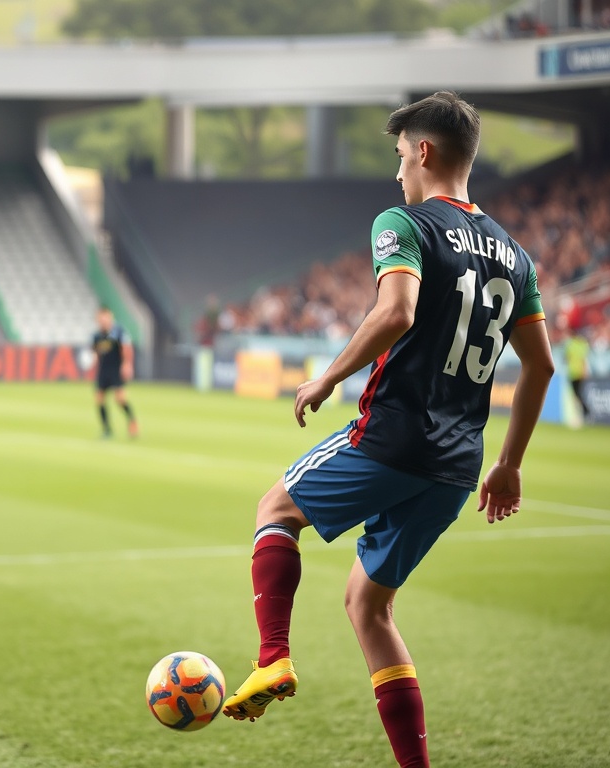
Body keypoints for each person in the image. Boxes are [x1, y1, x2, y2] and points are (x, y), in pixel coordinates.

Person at [221, 92, 555, 768]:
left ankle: (272, 660)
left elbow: (396, 311)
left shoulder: (403, 223)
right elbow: (542, 367)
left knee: (275, 510)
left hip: (394, 435)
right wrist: (510, 464)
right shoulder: (516, 257)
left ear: (424, 152)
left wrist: (327, 376)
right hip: (459, 464)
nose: (397, 173)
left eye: (400, 157)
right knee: (369, 607)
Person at [92, 306, 138, 438]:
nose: (103, 320)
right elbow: (96, 353)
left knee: (120, 399)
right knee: (99, 399)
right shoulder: (97, 336)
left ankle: (132, 420)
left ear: (110, 317)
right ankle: (107, 429)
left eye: (105, 317)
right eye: (100, 317)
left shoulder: (119, 332)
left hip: (116, 369)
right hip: (103, 370)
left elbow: (127, 349)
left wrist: (127, 364)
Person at [562, 318, 591, 423]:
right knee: (578, 394)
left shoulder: (569, 344)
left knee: (576, 395)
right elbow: (584, 359)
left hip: (573, 373)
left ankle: (585, 413)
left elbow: (566, 358)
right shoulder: (583, 344)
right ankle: (584, 413)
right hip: (579, 373)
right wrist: (585, 371)